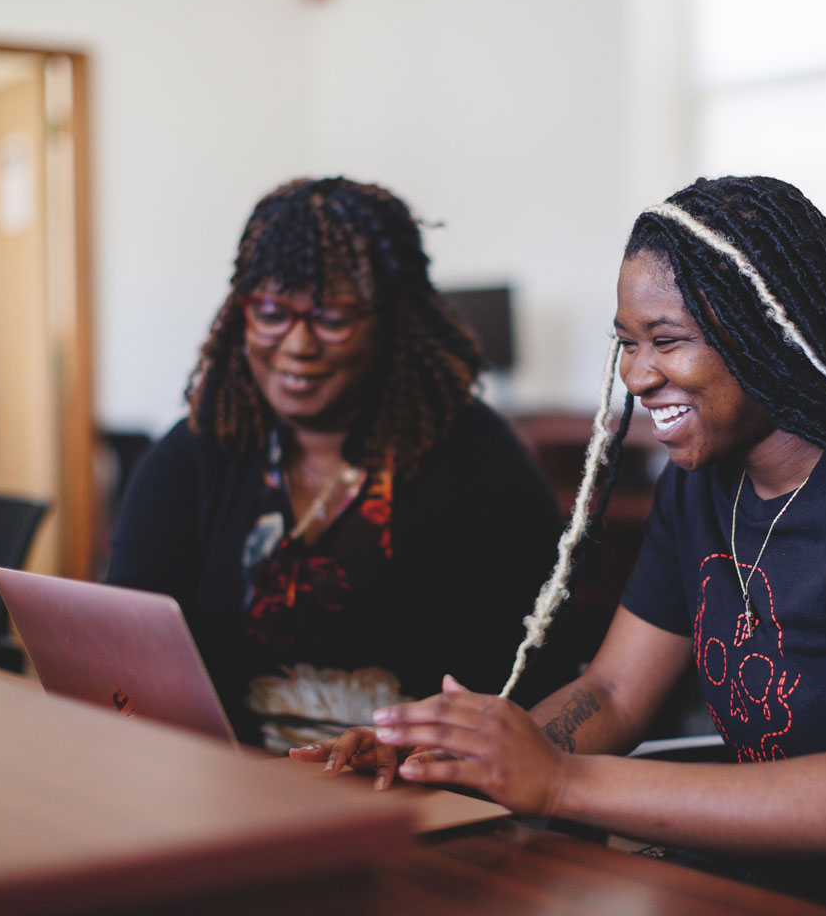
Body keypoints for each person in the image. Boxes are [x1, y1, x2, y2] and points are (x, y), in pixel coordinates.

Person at [294, 176, 826, 913]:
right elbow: (616, 693)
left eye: (665, 340)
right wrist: (461, 755)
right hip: (740, 884)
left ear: (771, 337)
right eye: (625, 343)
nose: (635, 375)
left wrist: (560, 782)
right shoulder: (700, 487)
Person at [107, 176, 571, 753]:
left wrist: (438, 749)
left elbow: (547, 667)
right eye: (272, 312)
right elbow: (120, 646)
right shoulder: (196, 454)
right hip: (225, 786)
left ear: (391, 323)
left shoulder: (476, 457)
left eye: (332, 318)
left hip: (426, 788)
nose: (297, 345)